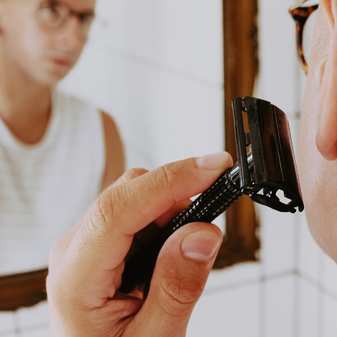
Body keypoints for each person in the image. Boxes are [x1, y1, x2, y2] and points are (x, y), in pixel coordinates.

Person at [0, 0, 124, 279]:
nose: (72, 40)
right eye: (52, 11)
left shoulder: (100, 132)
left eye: (84, 19)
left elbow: (108, 271)